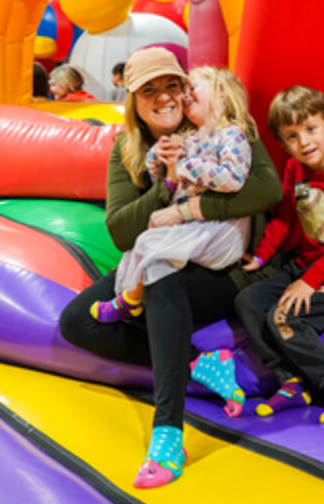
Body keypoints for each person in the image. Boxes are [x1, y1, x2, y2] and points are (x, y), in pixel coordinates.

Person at [58, 46, 283, 490]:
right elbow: (121, 231)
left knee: (160, 277)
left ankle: (168, 433)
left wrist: (187, 207)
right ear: (134, 102)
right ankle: (200, 363)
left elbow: (265, 190)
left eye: (172, 85)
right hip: (159, 252)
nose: (164, 97)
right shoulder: (129, 148)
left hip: (222, 269)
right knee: (77, 321)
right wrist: (163, 181)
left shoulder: (218, 124)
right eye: (149, 91)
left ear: (187, 89)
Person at [90, 67, 256, 360]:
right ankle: (131, 299)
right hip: (193, 225)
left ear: (220, 96)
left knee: (152, 251)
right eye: (187, 89)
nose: (187, 95)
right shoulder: (190, 137)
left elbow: (233, 179)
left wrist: (185, 167)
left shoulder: (232, 135)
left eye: (194, 88)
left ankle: (132, 299)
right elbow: (159, 169)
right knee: (142, 244)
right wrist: (159, 157)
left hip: (218, 230)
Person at [235, 85, 324, 424]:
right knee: (248, 301)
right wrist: (260, 257)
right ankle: (290, 382)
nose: (304, 142)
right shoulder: (294, 170)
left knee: (283, 317)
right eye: (292, 137)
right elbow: (284, 218)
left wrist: (309, 283)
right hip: (305, 262)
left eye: (311, 129)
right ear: (284, 145)